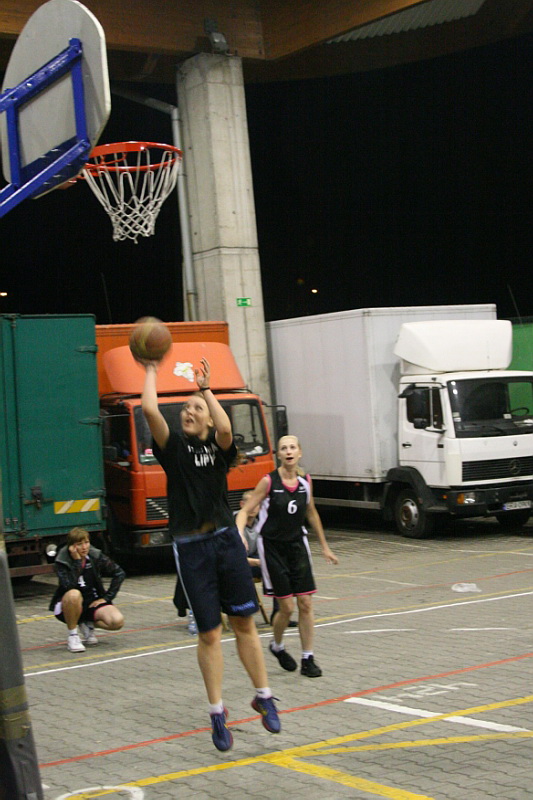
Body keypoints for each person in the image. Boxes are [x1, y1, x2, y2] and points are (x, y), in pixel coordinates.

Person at [141, 355, 280, 752]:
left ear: (207, 417)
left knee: (244, 623)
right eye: (185, 408)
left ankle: (264, 696)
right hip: (192, 548)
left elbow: (225, 427)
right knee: (209, 633)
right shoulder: (173, 448)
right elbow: (150, 410)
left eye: (195, 408)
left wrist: (205, 388)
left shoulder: (219, 448)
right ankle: (217, 712)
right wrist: (150, 370)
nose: (188, 412)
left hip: (224, 541)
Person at [236, 434, 338, 678]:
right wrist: (239, 534)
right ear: (279, 455)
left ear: (299, 452)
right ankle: (277, 645)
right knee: (287, 608)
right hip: (272, 547)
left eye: (292, 447)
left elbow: (311, 513)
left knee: (306, 602)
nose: (289, 451)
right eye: (284, 448)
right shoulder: (268, 482)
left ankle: (308, 657)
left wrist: (325, 546)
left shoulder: (305, 482)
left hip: (297, 545)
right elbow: (245, 511)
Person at [49, 527, 125, 652]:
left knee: (117, 621)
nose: (84, 547)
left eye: (86, 542)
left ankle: (87, 623)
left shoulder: (95, 555)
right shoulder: (62, 561)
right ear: (72, 547)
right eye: (79, 544)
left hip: (91, 602)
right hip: (68, 605)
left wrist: (106, 598)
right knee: (74, 594)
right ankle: (73, 635)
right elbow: (68, 586)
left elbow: (119, 573)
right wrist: (77, 562)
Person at [237, 491, 297, 628]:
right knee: (245, 571)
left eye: (256, 504)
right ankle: (245, 611)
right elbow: (233, 557)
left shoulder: (261, 524)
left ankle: (278, 614)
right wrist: (258, 562)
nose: (253, 507)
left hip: (255, 562)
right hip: (237, 565)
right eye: (250, 504)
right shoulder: (235, 524)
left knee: (277, 569)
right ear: (242, 504)